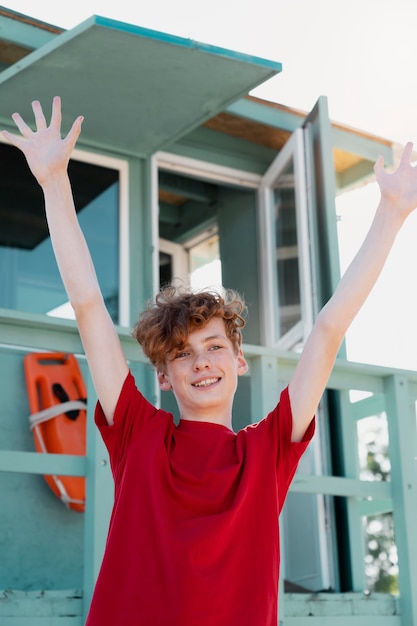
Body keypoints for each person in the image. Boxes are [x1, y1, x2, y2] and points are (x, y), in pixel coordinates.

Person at [3, 96, 417, 626]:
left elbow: (328, 328)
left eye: (214, 347)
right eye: (183, 354)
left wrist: (391, 213)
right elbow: (88, 308)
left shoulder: (268, 450)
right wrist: (55, 185)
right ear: (165, 378)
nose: (201, 362)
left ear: (239, 361)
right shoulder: (137, 431)